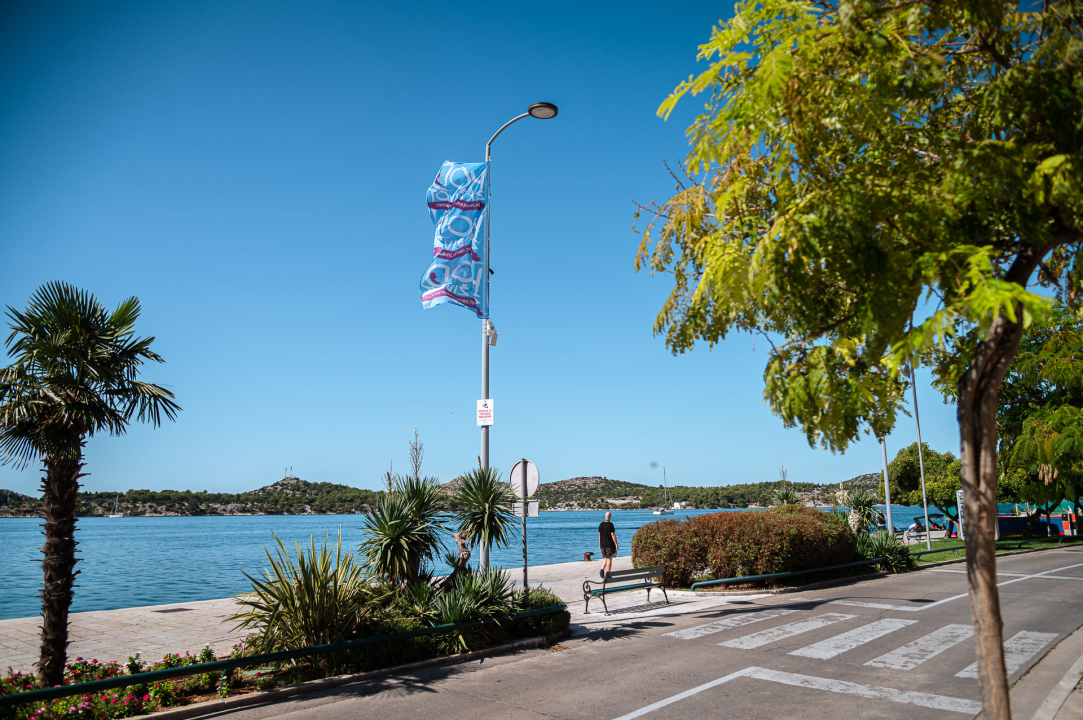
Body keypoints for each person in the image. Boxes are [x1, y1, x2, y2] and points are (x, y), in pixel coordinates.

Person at [598, 511, 617, 579]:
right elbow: (613, 534)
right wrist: (616, 544)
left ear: (605, 516)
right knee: (609, 559)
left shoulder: (601, 524)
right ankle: (608, 574)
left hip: (603, 544)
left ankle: (602, 569)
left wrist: (600, 544)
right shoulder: (610, 524)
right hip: (609, 544)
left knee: (605, 558)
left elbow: (599, 535)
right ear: (610, 517)